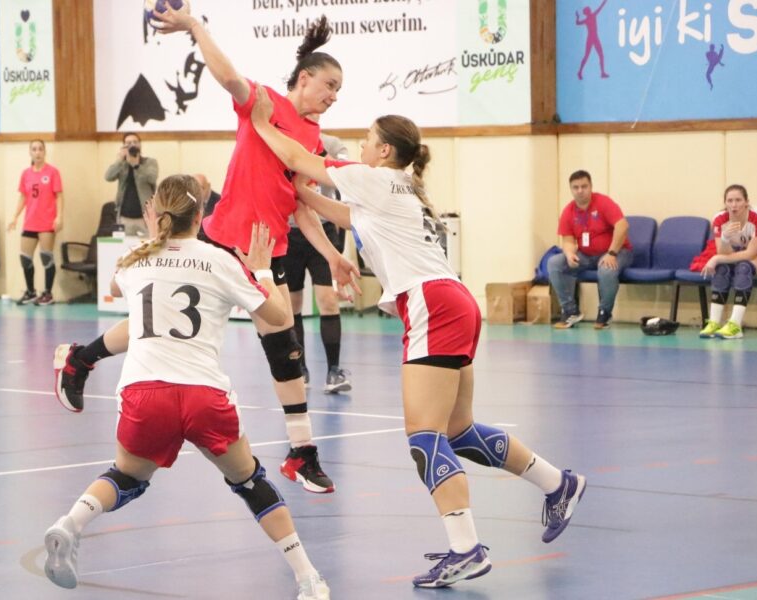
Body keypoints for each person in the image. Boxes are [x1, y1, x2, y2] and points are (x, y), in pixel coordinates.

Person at [250, 88, 586, 588]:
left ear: (384, 150)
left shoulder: (373, 178)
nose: (362, 147)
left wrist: (260, 124)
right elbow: (333, 210)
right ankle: (558, 483)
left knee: (425, 437)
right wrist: (299, 196)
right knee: (458, 431)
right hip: (453, 300)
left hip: (431, 303)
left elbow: (300, 158)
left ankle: (465, 548)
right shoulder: (397, 188)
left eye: (367, 140)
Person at [53, 5, 360, 495]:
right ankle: (81, 360)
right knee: (162, 321)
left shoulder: (313, 139)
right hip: (221, 241)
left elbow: (301, 204)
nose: (333, 97)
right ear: (305, 78)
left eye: (339, 91)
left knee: (283, 344)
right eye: (330, 86)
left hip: (266, 252)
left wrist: (332, 256)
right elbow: (228, 77)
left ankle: (301, 452)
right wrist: (195, 26)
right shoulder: (265, 104)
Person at [43, 175, 330, 600]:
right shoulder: (219, 261)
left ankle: (70, 524)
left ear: (156, 215)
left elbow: (116, 287)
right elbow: (280, 318)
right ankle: (308, 578)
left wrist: (151, 237)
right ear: (201, 217)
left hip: (144, 393)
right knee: (249, 481)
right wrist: (262, 270)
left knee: (127, 474)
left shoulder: (135, 260)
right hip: (203, 395)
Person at [284, 132, 351, 393]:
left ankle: (334, 370)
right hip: (290, 231)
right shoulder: (285, 141)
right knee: (293, 303)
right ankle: (300, 369)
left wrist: (318, 154)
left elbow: (342, 171)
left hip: (323, 228)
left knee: (328, 300)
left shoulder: (332, 143)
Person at [548, 170, 632, 329]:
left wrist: (611, 253)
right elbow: (568, 240)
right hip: (586, 255)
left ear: (591, 186)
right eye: (576, 187)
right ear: (571, 189)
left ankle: (605, 313)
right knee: (555, 263)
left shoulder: (603, 202)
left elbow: (622, 226)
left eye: (584, 186)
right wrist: (569, 254)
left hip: (617, 251)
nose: (580, 191)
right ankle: (570, 311)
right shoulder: (568, 211)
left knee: (606, 268)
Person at [698, 184, 757, 339]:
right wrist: (725, 239)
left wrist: (715, 258)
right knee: (722, 267)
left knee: (744, 267)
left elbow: (750, 253)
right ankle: (714, 322)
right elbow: (724, 252)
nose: (734, 205)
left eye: (738, 200)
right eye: (730, 201)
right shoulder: (719, 219)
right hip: (745, 253)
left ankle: (735, 326)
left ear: (747, 202)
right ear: (725, 203)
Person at [8, 140, 63, 306]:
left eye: (40, 149)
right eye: (34, 149)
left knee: (46, 257)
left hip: (46, 222)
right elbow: (23, 197)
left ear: (44, 152)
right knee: (25, 258)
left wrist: (59, 217)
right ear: (30, 152)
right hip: (30, 221)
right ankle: (31, 292)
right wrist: (15, 217)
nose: (37, 152)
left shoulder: (52, 172)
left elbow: (59, 196)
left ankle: (48, 293)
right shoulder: (26, 174)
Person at [106, 132, 159, 237]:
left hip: (145, 216)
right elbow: (108, 177)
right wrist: (120, 160)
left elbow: (152, 178)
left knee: (149, 244)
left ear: (140, 145)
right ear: (124, 146)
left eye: (135, 142)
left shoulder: (149, 162)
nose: (132, 145)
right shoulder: (122, 164)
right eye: (128, 143)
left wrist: (136, 165)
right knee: (126, 246)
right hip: (125, 217)